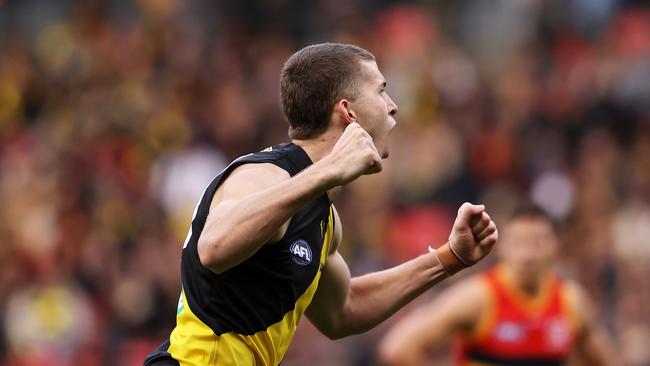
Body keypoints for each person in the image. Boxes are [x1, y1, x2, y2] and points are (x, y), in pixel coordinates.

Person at [144, 43, 499, 366]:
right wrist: (326, 172)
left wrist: (450, 257)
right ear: (348, 111)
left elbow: (343, 311)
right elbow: (214, 247)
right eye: (381, 91)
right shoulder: (264, 174)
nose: (393, 106)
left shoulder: (324, 216)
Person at [378, 202, 619, 366]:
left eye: (537, 242)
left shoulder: (571, 302)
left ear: (556, 247)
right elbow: (398, 348)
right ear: (502, 247)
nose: (528, 254)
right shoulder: (478, 298)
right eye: (519, 242)